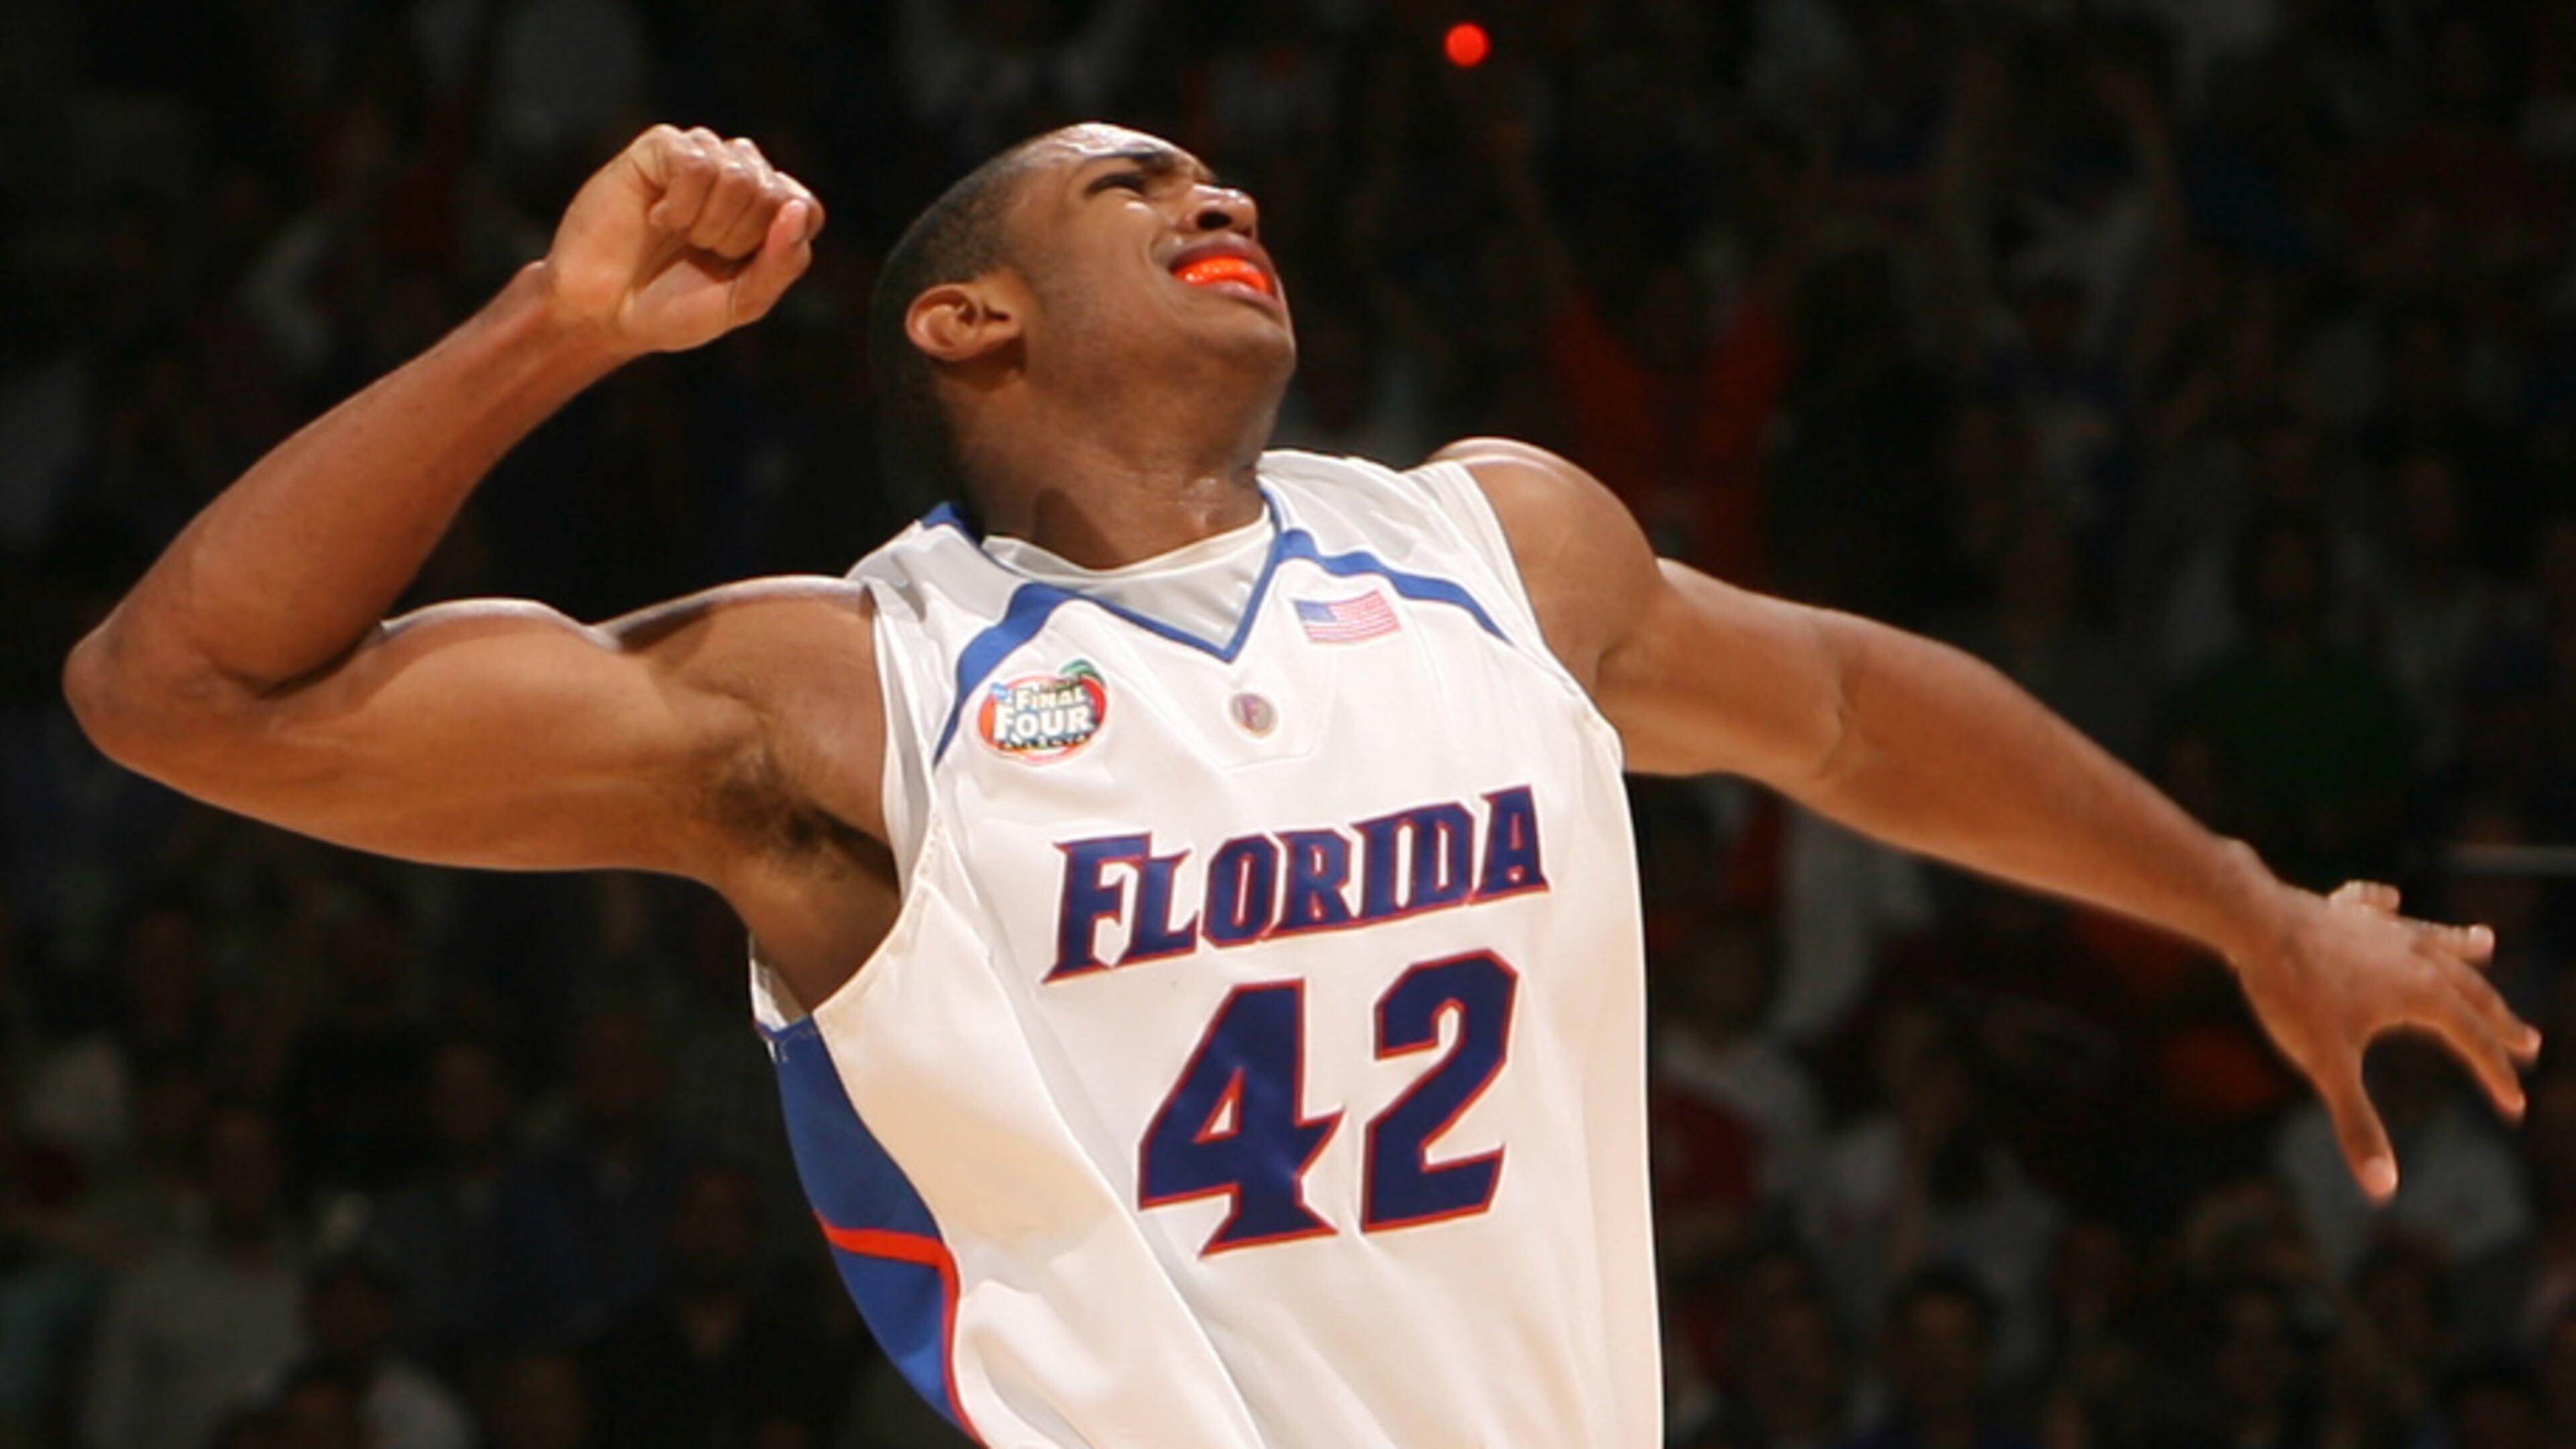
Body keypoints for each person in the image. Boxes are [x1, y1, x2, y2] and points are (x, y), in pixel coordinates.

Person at [62, 121, 2537, 1448]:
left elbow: (1862, 718)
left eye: (1227, 180)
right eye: (1135, 186)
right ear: (970, 319)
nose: (1219, 197)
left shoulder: (1496, 548)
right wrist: (542, 332)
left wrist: (2249, 908)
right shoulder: (843, 692)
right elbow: (184, 699)